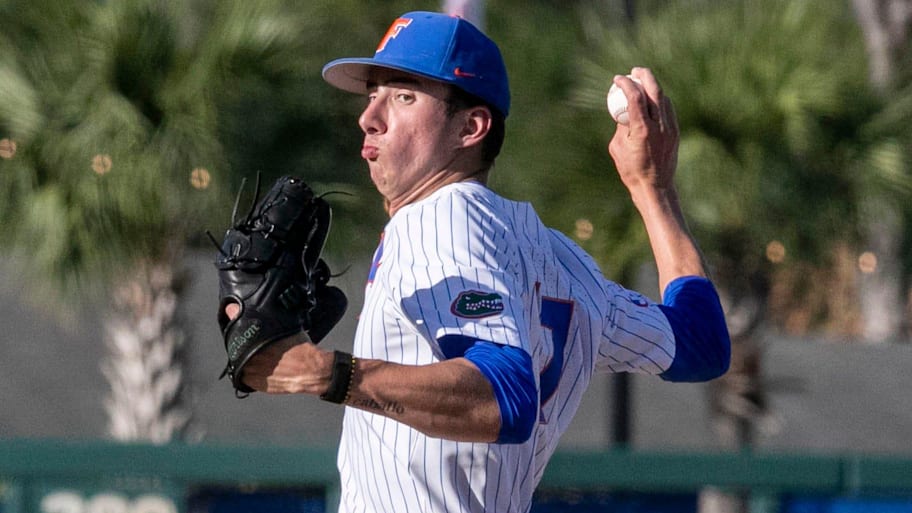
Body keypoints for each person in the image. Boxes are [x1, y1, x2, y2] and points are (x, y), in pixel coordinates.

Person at [235, 10, 731, 513]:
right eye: (372, 94)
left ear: (471, 127)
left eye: (404, 96)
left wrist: (325, 373)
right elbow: (699, 343)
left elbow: (504, 395)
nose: (370, 117)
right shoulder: (561, 261)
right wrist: (653, 190)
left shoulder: (441, 216)